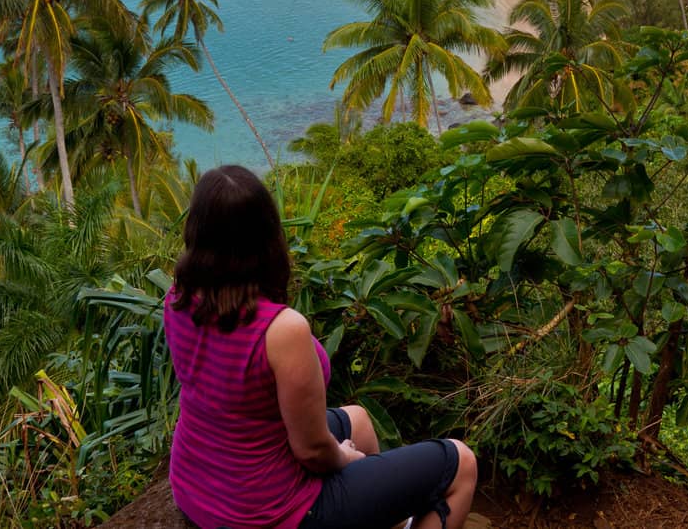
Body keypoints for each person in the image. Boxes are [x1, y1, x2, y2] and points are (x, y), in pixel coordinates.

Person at [165, 167, 477, 529]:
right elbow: (312, 451)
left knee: (358, 421)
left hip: (196, 488)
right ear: (268, 236)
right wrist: (346, 459)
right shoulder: (282, 329)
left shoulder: (179, 297)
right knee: (461, 463)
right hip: (265, 514)